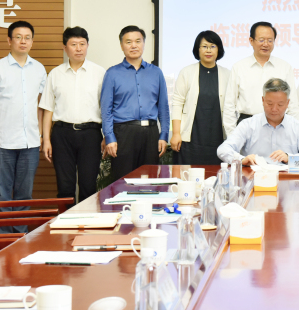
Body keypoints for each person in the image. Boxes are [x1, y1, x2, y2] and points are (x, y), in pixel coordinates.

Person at [0, 20, 47, 233]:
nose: (23, 41)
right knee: (3, 194)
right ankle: (3, 240)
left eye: (27, 38)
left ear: (32, 42)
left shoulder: (39, 69)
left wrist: (41, 135)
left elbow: (41, 106)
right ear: (9, 40)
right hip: (3, 142)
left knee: (24, 194)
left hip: (30, 142)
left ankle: (19, 237)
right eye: (18, 37)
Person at [40, 27, 106, 204]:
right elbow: (48, 109)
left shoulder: (99, 73)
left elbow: (106, 108)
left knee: (88, 186)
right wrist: (46, 140)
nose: (79, 49)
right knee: (65, 187)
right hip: (62, 134)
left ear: (88, 46)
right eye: (74, 44)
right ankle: (66, 222)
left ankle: (87, 221)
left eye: (82, 44)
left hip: (91, 134)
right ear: (65, 48)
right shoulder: (55, 74)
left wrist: (107, 136)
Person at [101, 26, 170, 181]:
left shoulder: (156, 73)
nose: (134, 45)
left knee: (150, 181)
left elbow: (163, 107)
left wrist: (164, 135)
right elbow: (106, 109)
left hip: (150, 133)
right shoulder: (112, 73)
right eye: (128, 42)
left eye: (138, 41)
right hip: (123, 134)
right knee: (122, 181)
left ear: (144, 43)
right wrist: (109, 137)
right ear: (121, 45)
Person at [223, 21, 299, 135]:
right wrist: (233, 136)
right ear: (251, 41)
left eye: (270, 40)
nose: (266, 44)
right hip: (247, 125)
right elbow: (229, 105)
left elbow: (292, 104)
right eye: (261, 40)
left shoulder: (284, 67)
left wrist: (293, 133)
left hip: (278, 126)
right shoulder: (239, 67)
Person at [217, 78, 299, 166]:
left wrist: (290, 158)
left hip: (285, 177)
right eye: (270, 103)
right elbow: (223, 149)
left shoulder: (298, 127)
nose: (274, 109)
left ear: (287, 103)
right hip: (254, 176)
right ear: (263, 100)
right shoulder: (248, 124)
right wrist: (241, 159)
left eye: (280, 105)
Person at [170, 30, 230, 165]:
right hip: (191, 140)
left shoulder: (227, 74)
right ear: (198, 49)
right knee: (188, 175)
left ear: (219, 49)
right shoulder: (186, 72)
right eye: (204, 46)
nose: (208, 50)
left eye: (213, 46)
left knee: (217, 175)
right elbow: (177, 103)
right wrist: (176, 133)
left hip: (218, 139)